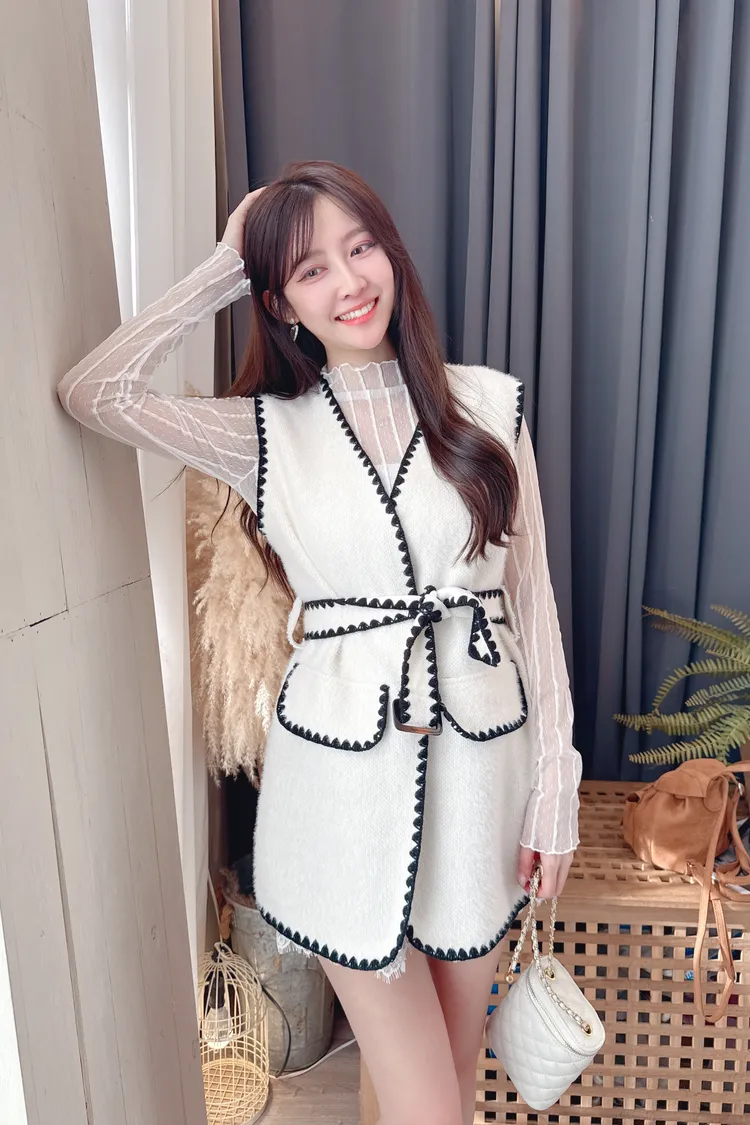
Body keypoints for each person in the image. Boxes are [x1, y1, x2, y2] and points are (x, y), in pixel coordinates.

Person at [57, 159, 582, 1125]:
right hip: (340, 794)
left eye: (361, 246)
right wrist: (227, 264)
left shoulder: (490, 408)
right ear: (281, 302)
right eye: (309, 269)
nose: (349, 281)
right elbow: (97, 393)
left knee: (450, 1084)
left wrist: (556, 790)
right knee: (433, 1109)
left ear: (393, 253)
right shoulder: (267, 434)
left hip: (482, 785)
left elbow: (534, 610)